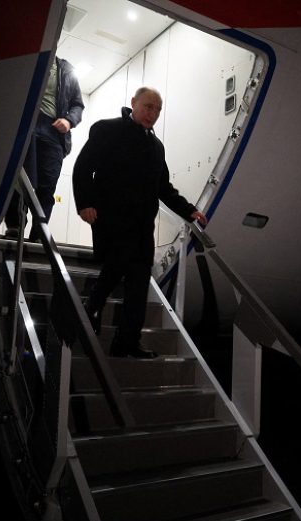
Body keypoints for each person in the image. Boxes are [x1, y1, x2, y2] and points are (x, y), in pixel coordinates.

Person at [72, 86, 207, 359]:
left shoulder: (156, 147)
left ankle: (126, 342)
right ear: (133, 103)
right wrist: (85, 203)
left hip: (142, 225)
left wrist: (189, 210)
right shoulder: (107, 130)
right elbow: (84, 167)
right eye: (148, 106)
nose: (153, 114)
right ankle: (92, 309)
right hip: (110, 217)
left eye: (158, 109)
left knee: (138, 282)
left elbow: (164, 188)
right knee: (118, 264)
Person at [5, 56, 84, 240]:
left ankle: (39, 233)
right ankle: (15, 226)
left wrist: (69, 120)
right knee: (21, 180)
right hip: (28, 125)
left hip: (54, 131)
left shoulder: (66, 69)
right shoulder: (31, 60)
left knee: (47, 186)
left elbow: (78, 104)